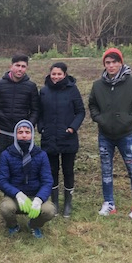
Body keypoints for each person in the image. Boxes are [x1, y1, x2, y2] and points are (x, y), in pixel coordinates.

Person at [89, 47, 132, 219]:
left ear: (121, 63)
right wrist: (99, 118)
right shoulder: (98, 85)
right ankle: (109, 203)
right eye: (108, 63)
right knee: (106, 170)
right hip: (105, 135)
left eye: (114, 62)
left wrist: (131, 118)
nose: (111, 65)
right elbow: (92, 104)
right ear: (104, 65)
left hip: (125, 134)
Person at [0, 54, 39, 215]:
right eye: (17, 65)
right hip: (1, 134)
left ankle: (16, 199)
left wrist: (28, 127)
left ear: (26, 68)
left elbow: (35, 110)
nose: (20, 69)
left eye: (23, 66)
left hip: (20, 138)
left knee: (20, 168)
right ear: (11, 66)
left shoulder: (31, 86)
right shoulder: (0, 84)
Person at [37, 62, 85, 218]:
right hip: (49, 138)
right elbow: (39, 112)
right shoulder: (44, 91)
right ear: (50, 74)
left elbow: (80, 112)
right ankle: (55, 202)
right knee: (52, 171)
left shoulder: (72, 90)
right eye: (53, 74)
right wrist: (41, 127)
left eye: (59, 74)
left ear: (65, 75)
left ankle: (68, 204)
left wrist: (72, 128)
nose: (56, 77)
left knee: (68, 170)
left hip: (68, 138)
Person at [0, 120, 56, 238]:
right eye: (20, 132)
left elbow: (47, 181)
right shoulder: (6, 155)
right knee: (6, 208)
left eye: (27, 132)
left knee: (49, 210)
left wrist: (39, 199)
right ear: (15, 135)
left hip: (35, 196)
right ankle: (13, 226)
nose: (24, 135)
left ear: (32, 134)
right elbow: (2, 181)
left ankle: (34, 225)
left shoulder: (41, 155)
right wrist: (18, 194)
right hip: (15, 197)